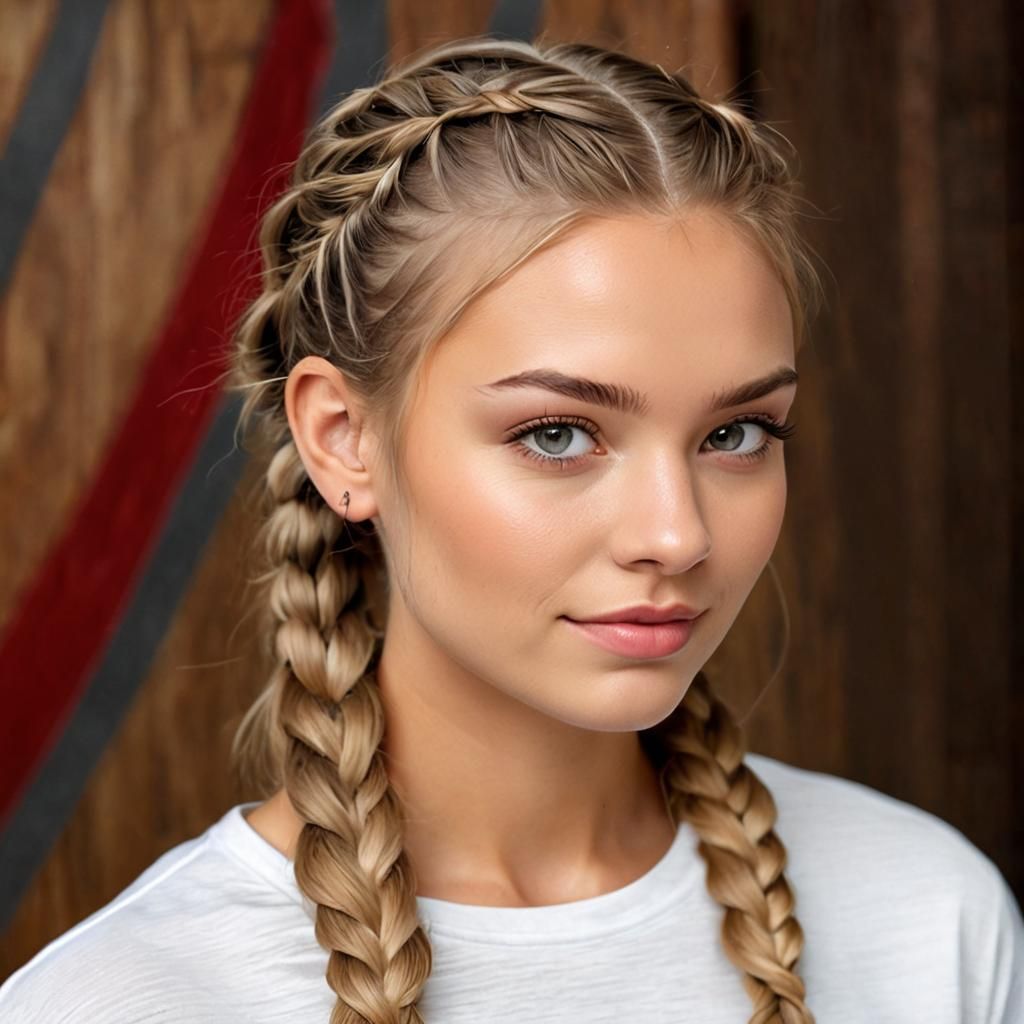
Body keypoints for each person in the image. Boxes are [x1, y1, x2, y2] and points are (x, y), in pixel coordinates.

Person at [1, 33, 1021, 1024]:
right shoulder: (128, 999)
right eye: (557, 433)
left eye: (736, 431)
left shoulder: (930, 919)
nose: (675, 536)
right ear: (344, 437)